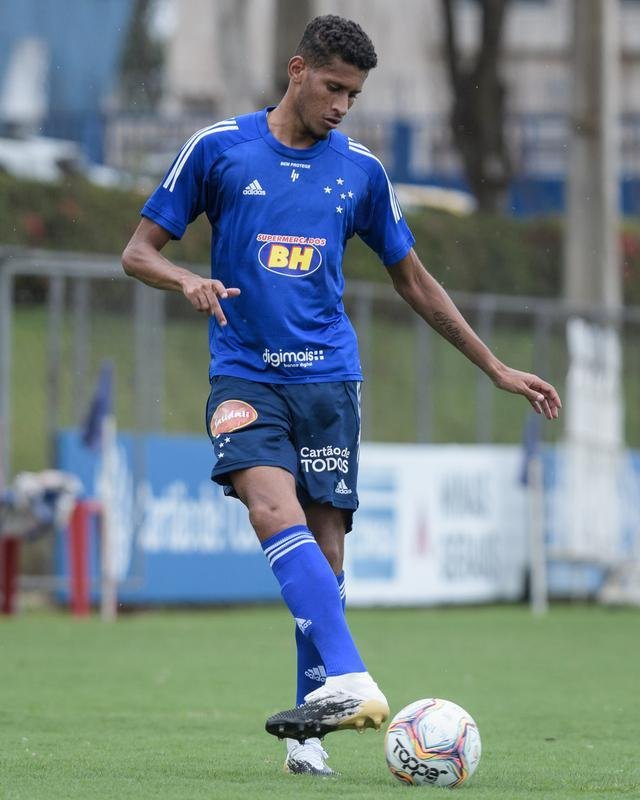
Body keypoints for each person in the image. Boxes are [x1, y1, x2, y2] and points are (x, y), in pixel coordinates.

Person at [122, 14, 561, 777]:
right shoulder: (219, 149)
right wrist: (185, 278)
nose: (341, 106)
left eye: (353, 95)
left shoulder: (360, 171)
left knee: (327, 555)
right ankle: (353, 677)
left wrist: (494, 366)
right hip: (246, 374)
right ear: (296, 70)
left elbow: (413, 280)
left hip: (328, 379)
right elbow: (136, 252)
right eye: (332, 88)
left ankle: (308, 737)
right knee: (271, 509)